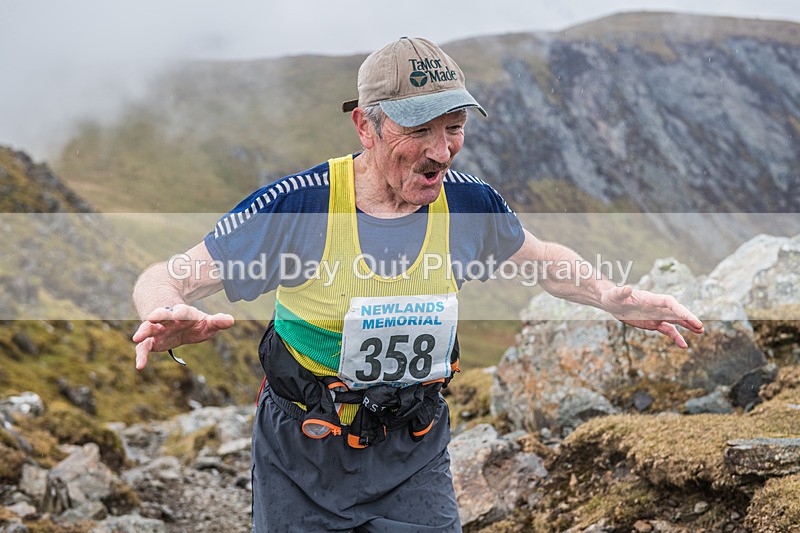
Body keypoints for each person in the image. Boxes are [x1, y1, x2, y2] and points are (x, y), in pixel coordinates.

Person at [132, 37, 704, 532]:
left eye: (454, 128)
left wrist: (610, 296)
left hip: (413, 445)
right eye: (419, 129)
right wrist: (164, 310)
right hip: (303, 451)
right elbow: (168, 274)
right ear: (366, 125)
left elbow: (543, 259)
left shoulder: (470, 203)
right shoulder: (300, 206)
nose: (440, 151)